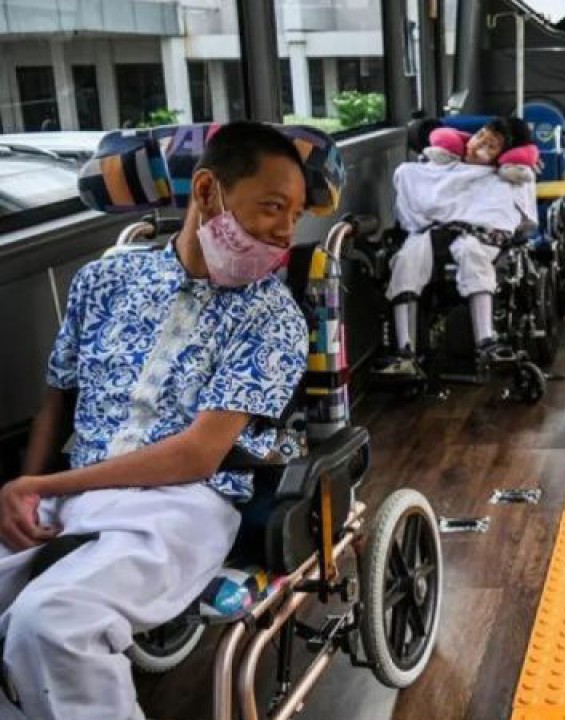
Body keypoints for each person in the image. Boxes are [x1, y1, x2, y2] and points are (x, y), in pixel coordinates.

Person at [0, 121, 309, 719]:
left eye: (295, 214)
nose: (285, 231)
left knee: (53, 623)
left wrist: (41, 484)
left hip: (182, 503)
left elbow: (198, 454)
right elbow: (57, 397)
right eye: (272, 207)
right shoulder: (103, 281)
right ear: (206, 192)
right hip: (73, 490)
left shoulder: (273, 317)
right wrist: (27, 494)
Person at [379, 116, 538, 375]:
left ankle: (486, 341)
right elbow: (413, 191)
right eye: (479, 137)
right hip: (430, 233)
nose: (477, 146)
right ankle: (405, 351)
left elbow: (505, 219)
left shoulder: (503, 181)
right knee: (407, 258)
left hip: (477, 238)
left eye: (491, 146)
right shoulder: (434, 169)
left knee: (471, 252)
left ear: (503, 155)